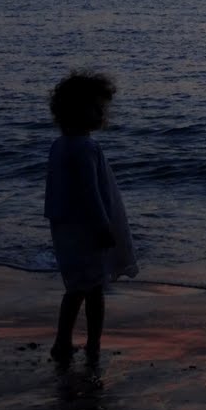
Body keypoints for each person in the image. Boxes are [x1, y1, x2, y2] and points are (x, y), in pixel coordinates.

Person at [44, 71, 138, 365]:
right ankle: (93, 345)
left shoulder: (60, 146)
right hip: (87, 229)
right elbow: (91, 193)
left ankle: (63, 341)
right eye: (96, 107)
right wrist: (103, 226)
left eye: (103, 108)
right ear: (75, 109)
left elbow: (55, 192)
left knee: (75, 288)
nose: (102, 114)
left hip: (66, 227)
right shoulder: (84, 148)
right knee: (94, 290)